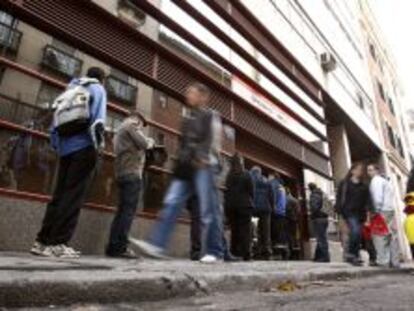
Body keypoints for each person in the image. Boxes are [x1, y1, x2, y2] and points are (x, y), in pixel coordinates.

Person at [131, 83, 224, 263]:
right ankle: (157, 245)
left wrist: (203, 157)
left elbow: (211, 139)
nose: (188, 95)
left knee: (208, 210)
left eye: (192, 92)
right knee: (172, 203)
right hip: (185, 167)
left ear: (203, 96)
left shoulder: (210, 116)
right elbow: (183, 144)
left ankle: (215, 251)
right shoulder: (187, 119)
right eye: (187, 91)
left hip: (204, 165)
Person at [31, 67, 107, 258]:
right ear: (101, 79)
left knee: (59, 195)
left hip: (65, 150)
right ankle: (58, 243)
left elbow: (55, 123)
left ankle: (41, 242)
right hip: (84, 148)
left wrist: (58, 146)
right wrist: (97, 149)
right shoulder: (98, 90)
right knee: (73, 197)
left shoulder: (70, 89)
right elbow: (98, 122)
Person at [105, 111, 155, 258]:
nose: (141, 127)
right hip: (131, 174)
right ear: (137, 118)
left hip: (121, 173)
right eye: (141, 124)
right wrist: (151, 141)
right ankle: (121, 247)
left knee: (121, 212)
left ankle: (113, 247)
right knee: (127, 213)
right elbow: (145, 144)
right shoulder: (131, 125)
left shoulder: (120, 129)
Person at [335, 163, 370, 266]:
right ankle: (352, 254)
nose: (360, 171)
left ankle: (354, 255)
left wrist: (368, 216)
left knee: (358, 235)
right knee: (355, 231)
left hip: (360, 214)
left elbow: (367, 202)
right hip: (348, 212)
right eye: (358, 169)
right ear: (352, 171)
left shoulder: (364, 186)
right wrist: (339, 213)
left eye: (361, 170)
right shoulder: (345, 183)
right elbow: (339, 197)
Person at [367, 163, 400, 268]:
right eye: (368, 170)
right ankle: (395, 262)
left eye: (370, 170)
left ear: (376, 170)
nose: (369, 172)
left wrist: (374, 212)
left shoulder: (375, 181)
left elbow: (377, 198)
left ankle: (382, 262)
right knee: (392, 236)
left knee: (379, 236)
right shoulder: (386, 181)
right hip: (390, 210)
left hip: (381, 211)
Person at [225, 154, 254, 261]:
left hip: (232, 206)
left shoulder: (229, 175)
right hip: (245, 206)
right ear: (241, 162)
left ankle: (234, 252)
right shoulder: (247, 174)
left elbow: (226, 191)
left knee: (235, 230)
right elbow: (251, 191)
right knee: (245, 230)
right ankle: (246, 254)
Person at [250, 166, 273, 260]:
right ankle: (266, 251)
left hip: (253, 208)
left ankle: (255, 251)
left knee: (250, 229)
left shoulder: (250, 179)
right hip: (265, 208)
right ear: (260, 172)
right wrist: (272, 206)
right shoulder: (267, 180)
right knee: (265, 231)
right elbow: (271, 195)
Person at [309, 183, 330, 263]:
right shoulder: (321, 193)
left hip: (318, 219)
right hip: (324, 218)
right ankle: (317, 257)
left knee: (321, 239)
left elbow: (314, 207)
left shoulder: (314, 195)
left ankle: (325, 257)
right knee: (321, 238)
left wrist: (312, 214)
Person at [269, 173, 288, 259]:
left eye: (270, 176)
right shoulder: (282, 187)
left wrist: (272, 207)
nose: (269, 178)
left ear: (273, 177)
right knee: (280, 233)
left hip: (276, 212)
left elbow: (274, 197)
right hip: (282, 212)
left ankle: (277, 254)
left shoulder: (274, 184)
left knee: (275, 233)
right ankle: (282, 253)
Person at [285, 189, 300, 260]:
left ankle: (291, 253)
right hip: (294, 219)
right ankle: (295, 253)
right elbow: (298, 211)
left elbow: (286, 209)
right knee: (294, 236)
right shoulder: (295, 200)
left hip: (288, 219)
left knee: (289, 236)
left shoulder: (287, 199)